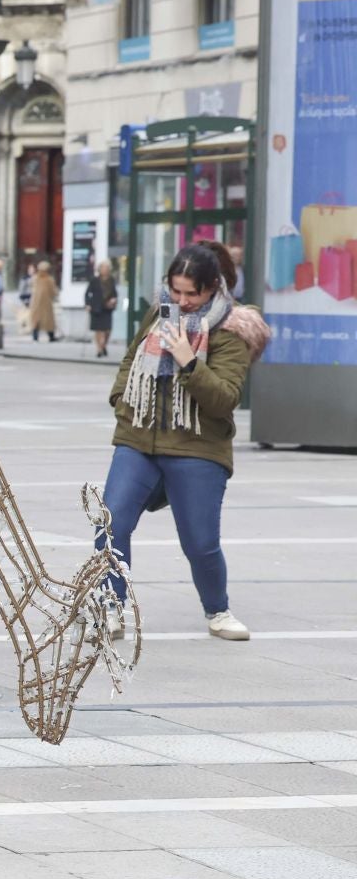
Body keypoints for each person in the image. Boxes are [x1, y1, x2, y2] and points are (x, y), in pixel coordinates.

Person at [101, 240, 270, 642]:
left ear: (212, 288)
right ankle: (109, 607)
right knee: (111, 521)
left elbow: (225, 398)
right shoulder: (158, 315)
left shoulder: (231, 332)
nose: (181, 300)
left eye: (191, 293)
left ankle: (218, 610)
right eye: (175, 290)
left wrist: (188, 361)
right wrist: (120, 399)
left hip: (197, 447)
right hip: (139, 440)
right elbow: (131, 358)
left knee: (200, 543)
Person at [84, 258, 117, 358]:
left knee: (107, 330)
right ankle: (99, 349)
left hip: (107, 307)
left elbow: (114, 293)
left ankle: (104, 345)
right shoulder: (94, 280)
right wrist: (88, 304)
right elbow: (88, 293)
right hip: (96, 307)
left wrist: (113, 300)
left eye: (106, 268)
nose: (105, 270)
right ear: (99, 269)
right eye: (103, 268)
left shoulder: (111, 280)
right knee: (98, 330)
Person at [28, 260, 59, 342]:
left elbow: (31, 287)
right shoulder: (49, 279)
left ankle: (36, 337)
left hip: (37, 302)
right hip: (45, 303)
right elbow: (53, 291)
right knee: (47, 320)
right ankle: (50, 336)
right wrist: (55, 295)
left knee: (37, 320)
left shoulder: (35, 278)